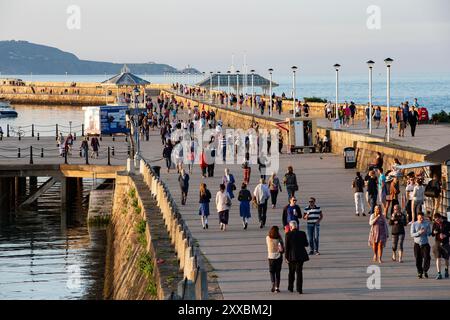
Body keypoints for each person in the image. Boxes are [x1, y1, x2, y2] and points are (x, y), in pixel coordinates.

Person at [285, 221, 309, 294]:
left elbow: (287, 247)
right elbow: (306, 244)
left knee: (291, 272)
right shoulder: (302, 233)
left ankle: (291, 287)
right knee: (299, 272)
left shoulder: (288, 234)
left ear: (291, 227)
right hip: (301, 255)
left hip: (292, 256)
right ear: (297, 226)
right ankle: (299, 289)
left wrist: (286, 257)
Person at [410, 212, 432, 278]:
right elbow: (412, 234)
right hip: (417, 244)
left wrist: (426, 232)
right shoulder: (414, 224)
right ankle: (420, 272)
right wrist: (419, 232)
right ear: (417, 217)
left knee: (427, 258)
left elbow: (429, 233)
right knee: (418, 259)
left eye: (422, 218)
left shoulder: (427, 224)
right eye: (420, 218)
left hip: (425, 243)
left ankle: (425, 270)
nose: (421, 219)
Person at [431, 213, 450, 279]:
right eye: (435, 220)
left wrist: (446, 235)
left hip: (445, 243)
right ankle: (439, 273)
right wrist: (434, 232)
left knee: (446, 259)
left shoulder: (447, 223)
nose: (437, 221)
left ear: (440, 218)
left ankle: (446, 270)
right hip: (437, 243)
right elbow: (432, 234)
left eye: (438, 219)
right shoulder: (435, 224)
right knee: (438, 258)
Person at [266, 226, 284, 293]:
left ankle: (273, 283)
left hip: (271, 257)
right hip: (278, 257)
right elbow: (282, 248)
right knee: (278, 272)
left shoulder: (268, 238)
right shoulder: (279, 239)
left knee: (271, 272)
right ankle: (277, 287)